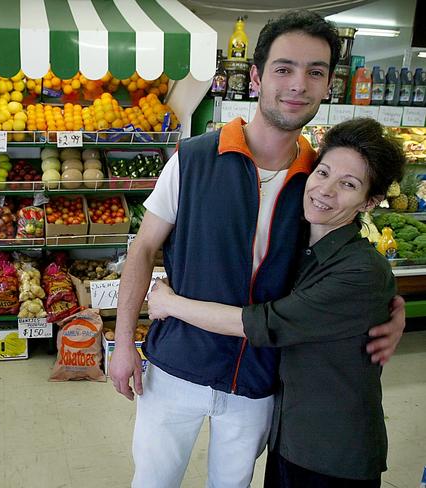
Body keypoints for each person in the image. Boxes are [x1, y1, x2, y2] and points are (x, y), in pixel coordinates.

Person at [109, 10, 406, 488]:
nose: (298, 85)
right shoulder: (194, 159)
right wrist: (123, 342)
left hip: (259, 382)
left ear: (329, 84)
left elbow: (341, 272)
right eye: (284, 68)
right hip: (176, 369)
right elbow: (143, 248)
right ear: (256, 76)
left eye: (315, 72)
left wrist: (392, 311)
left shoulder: (319, 181)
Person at [147, 117, 404, 487]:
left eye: (348, 184)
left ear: (371, 201)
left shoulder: (360, 271)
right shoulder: (306, 247)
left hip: (332, 450)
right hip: (291, 438)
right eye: (323, 173)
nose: (325, 191)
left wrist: (170, 303)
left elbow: (264, 323)